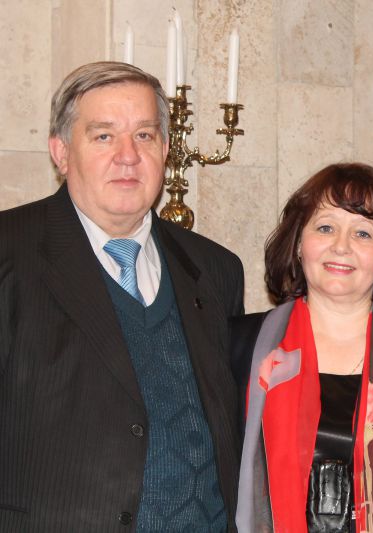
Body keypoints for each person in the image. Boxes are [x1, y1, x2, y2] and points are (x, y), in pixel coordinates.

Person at [0, 62, 244, 531]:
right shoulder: (10, 253)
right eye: (104, 136)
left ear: (166, 150)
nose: (128, 156)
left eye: (145, 136)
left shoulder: (215, 269)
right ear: (61, 152)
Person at [232, 163, 373, 532]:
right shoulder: (240, 346)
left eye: (363, 233)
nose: (341, 246)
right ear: (298, 244)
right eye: (325, 228)